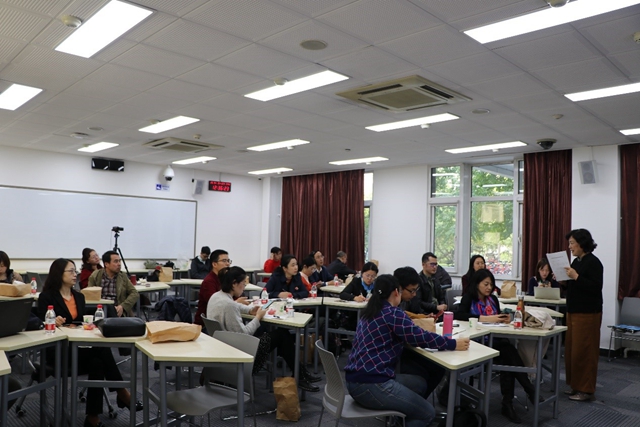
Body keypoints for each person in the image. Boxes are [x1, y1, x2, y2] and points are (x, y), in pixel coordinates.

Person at [344, 274, 469, 427]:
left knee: (419, 384)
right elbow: (420, 337)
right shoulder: (392, 313)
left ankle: (401, 419)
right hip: (372, 384)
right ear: (396, 292)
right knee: (427, 413)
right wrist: (452, 344)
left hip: (354, 380)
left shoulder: (370, 311)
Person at [38, 258, 141, 427]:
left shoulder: (79, 297)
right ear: (59, 274)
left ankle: (93, 417)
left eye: (75, 271)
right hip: (59, 350)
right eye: (71, 271)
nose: (75, 274)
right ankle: (122, 393)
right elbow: (41, 324)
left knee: (98, 363)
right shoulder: (46, 297)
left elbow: (79, 322)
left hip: (79, 348)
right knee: (101, 350)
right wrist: (52, 321)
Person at [208, 266, 320, 392]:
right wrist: (257, 317)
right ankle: (300, 375)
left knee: (278, 335)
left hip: (222, 350)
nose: (244, 287)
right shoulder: (229, 305)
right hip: (242, 355)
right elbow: (244, 333)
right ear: (234, 284)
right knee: (282, 335)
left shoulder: (216, 297)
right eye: (243, 284)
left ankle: (301, 374)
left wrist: (250, 310)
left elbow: (235, 306)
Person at [455, 269, 539, 423]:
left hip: (495, 340)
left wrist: (504, 319)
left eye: (491, 284)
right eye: (486, 284)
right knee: (509, 353)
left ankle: (509, 403)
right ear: (477, 284)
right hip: (476, 343)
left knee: (508, 355)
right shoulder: (469, 298)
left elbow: (497, 317)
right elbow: (460, 315)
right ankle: (526, 391)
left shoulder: (493, 299)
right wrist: (487, 318)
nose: (489, 288)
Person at [563, 228, 603, 402]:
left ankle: (586, 390)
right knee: (573, 351)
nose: (570, 247)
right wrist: (565, 282)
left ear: (582, 244)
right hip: (573, 311)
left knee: (585, 352)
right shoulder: (576, 262)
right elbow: (574, 286)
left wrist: (576, 277)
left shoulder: (594, 262)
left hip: (588, 314)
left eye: (572, 243)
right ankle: (575, 386)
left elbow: (595, 287)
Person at [393, 267, 446, 398]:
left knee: (437, 367)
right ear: (399, 289)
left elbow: (405, 314)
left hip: (403, 347)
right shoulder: (391, 307)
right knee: (426, 372)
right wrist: (452, 343)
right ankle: (415, 402)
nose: (414, 294)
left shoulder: (401, 302)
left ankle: (417, 401)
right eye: (412, 290)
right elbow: (418, 336)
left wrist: (422, 317)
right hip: (395, 356)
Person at [88, 251, 139, 318]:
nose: (119, 264)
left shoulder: (122, 276)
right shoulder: (96, 276)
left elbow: (135, 293)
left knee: (112, 310)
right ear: (106, 264)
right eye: (115, 261)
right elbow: (89, 295)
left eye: (119, 261)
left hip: (117, 309)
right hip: (100, 309)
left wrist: (123, 306)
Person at [194, 249, 230, 326]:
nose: (227, 264)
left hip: (221, 319)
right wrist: (235, 303)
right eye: (224, 261)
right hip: (206, 325)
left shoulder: (225, 279)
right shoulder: (209, 281)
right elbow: (215, 303)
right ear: (214, 264)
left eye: (228, 261)